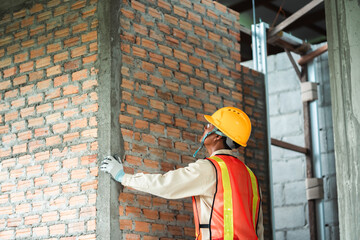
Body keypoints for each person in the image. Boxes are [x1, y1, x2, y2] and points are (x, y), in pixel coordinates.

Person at [100, 106, 264, 240]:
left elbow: (166, 184)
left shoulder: (210, 169)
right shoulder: (251, 176)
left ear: (218, 137)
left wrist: (122, 176)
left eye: (209, 126)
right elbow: (258, 227)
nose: (204, 128)